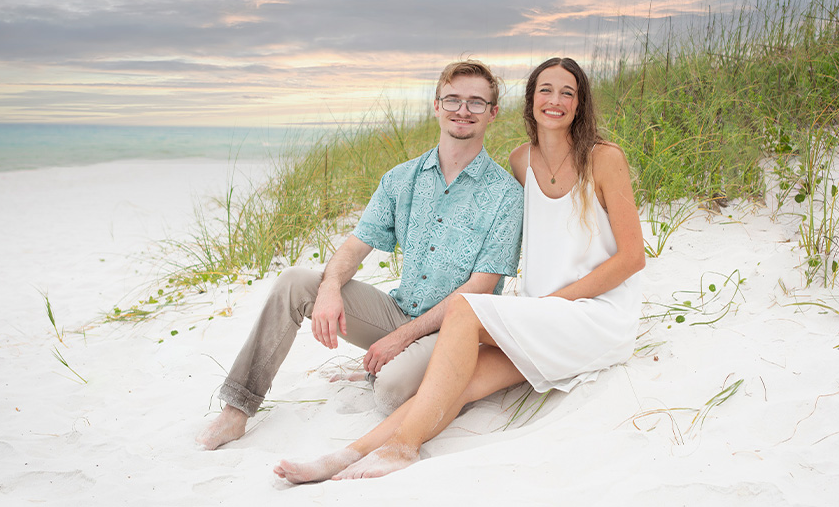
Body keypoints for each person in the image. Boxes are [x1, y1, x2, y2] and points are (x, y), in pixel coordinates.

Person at [273, 57, 645, 482]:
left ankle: (402, 448)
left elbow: (633, 257)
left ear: (580, 104)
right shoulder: (522, 160)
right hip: (541, 315)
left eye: (567, 92)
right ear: (530, 100)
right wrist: (538, 309)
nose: (555, 100)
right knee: (459, 380)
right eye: (545, 89)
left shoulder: (605, 158)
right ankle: (346, 455)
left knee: (466, 310)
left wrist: (551, 305)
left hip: (594, 317)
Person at [197, 59, 523, 451]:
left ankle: (389, 372)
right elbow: (355, 246)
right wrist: (331, 286)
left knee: (390, 391)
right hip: (398, 314)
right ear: (436, 106)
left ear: (493, 113)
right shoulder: (401, 179)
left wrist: (401, 340)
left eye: (475, 102)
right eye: (453, 99)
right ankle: (237, 410)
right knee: (295, 283)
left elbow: (481, 288)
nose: (462, 111)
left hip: (456, 331)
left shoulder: (506, 195)